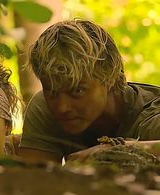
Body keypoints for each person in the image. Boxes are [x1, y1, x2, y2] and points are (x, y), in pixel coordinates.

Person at [18, 19, 160, 163]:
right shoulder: (44, 108)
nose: (62, 108)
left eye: (77, 91)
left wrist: (116, 149)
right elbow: (34, 178)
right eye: (52, 92)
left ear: (110, 78)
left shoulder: (151, 117)